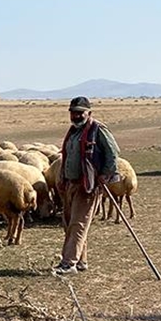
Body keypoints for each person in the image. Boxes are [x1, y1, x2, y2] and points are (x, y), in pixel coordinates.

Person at [54, 96, 119, 275]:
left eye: (79, 113)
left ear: (88, 113)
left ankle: (68, 263)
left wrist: (105, 175)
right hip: (70, 183)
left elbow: (113, 153)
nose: (75, 116)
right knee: (69, 223)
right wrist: (62, 177)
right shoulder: (74, 131)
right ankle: (81, 261)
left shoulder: (98, 129)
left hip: (87, 184)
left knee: (78, 223)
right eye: (73, 113)